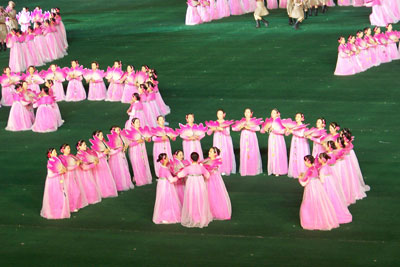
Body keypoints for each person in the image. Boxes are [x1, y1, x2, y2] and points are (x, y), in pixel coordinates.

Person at [298, 155, 339, 230]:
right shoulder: (314, 168)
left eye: (305, 161)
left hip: (311, 187)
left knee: (307, 204)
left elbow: (304, 181)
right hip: (317, 185)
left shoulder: (310, 170)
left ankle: (310, 221)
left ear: (309, 161)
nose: (304, 162)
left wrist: (300, 178)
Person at [178, 152, 213, 228]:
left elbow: (179, 175)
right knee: (200, 199)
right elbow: (208, 175)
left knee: (191, 199)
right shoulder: (201, 167)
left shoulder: (188, 168)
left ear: (190, 159)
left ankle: (193, 217)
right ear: (198, 158)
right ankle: (201, 217)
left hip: (191, 185)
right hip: (200, 185)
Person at [40, 148, 70, 219]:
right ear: (50, 154)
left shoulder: (57, 160)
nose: (56, 153)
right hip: (53, 182)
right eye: (54, 152)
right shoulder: (50, 163)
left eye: (55, 152)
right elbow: (50, 175)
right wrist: (60, 172)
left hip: (59, 180)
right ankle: (53, 212)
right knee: (54, 196)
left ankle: (60, 211)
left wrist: (64, 170)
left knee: (60, 195)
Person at [232, 108, 263, 176]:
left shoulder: (253, 121)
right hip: (244, 138)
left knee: (252, 152)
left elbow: (258, 128)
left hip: (251, 137)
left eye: (248, 112)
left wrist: (249, 127)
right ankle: (245, 170)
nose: (247, 113)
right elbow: (234, 128)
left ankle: (253, 170)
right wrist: (240, 127)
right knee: (244, 152)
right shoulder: (242, 121)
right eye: (246, 112)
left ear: (251, 114)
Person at [152, 153, 182, 224]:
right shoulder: (165, 170)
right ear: (163, 160)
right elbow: (171, 179)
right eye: (166, 158)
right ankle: (166, 216)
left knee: (163, 200)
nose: (168, 159)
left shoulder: (162, 168)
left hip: (162, 185)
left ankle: (163, 215)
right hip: (166, 186)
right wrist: (178, 176)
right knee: (167, 200)